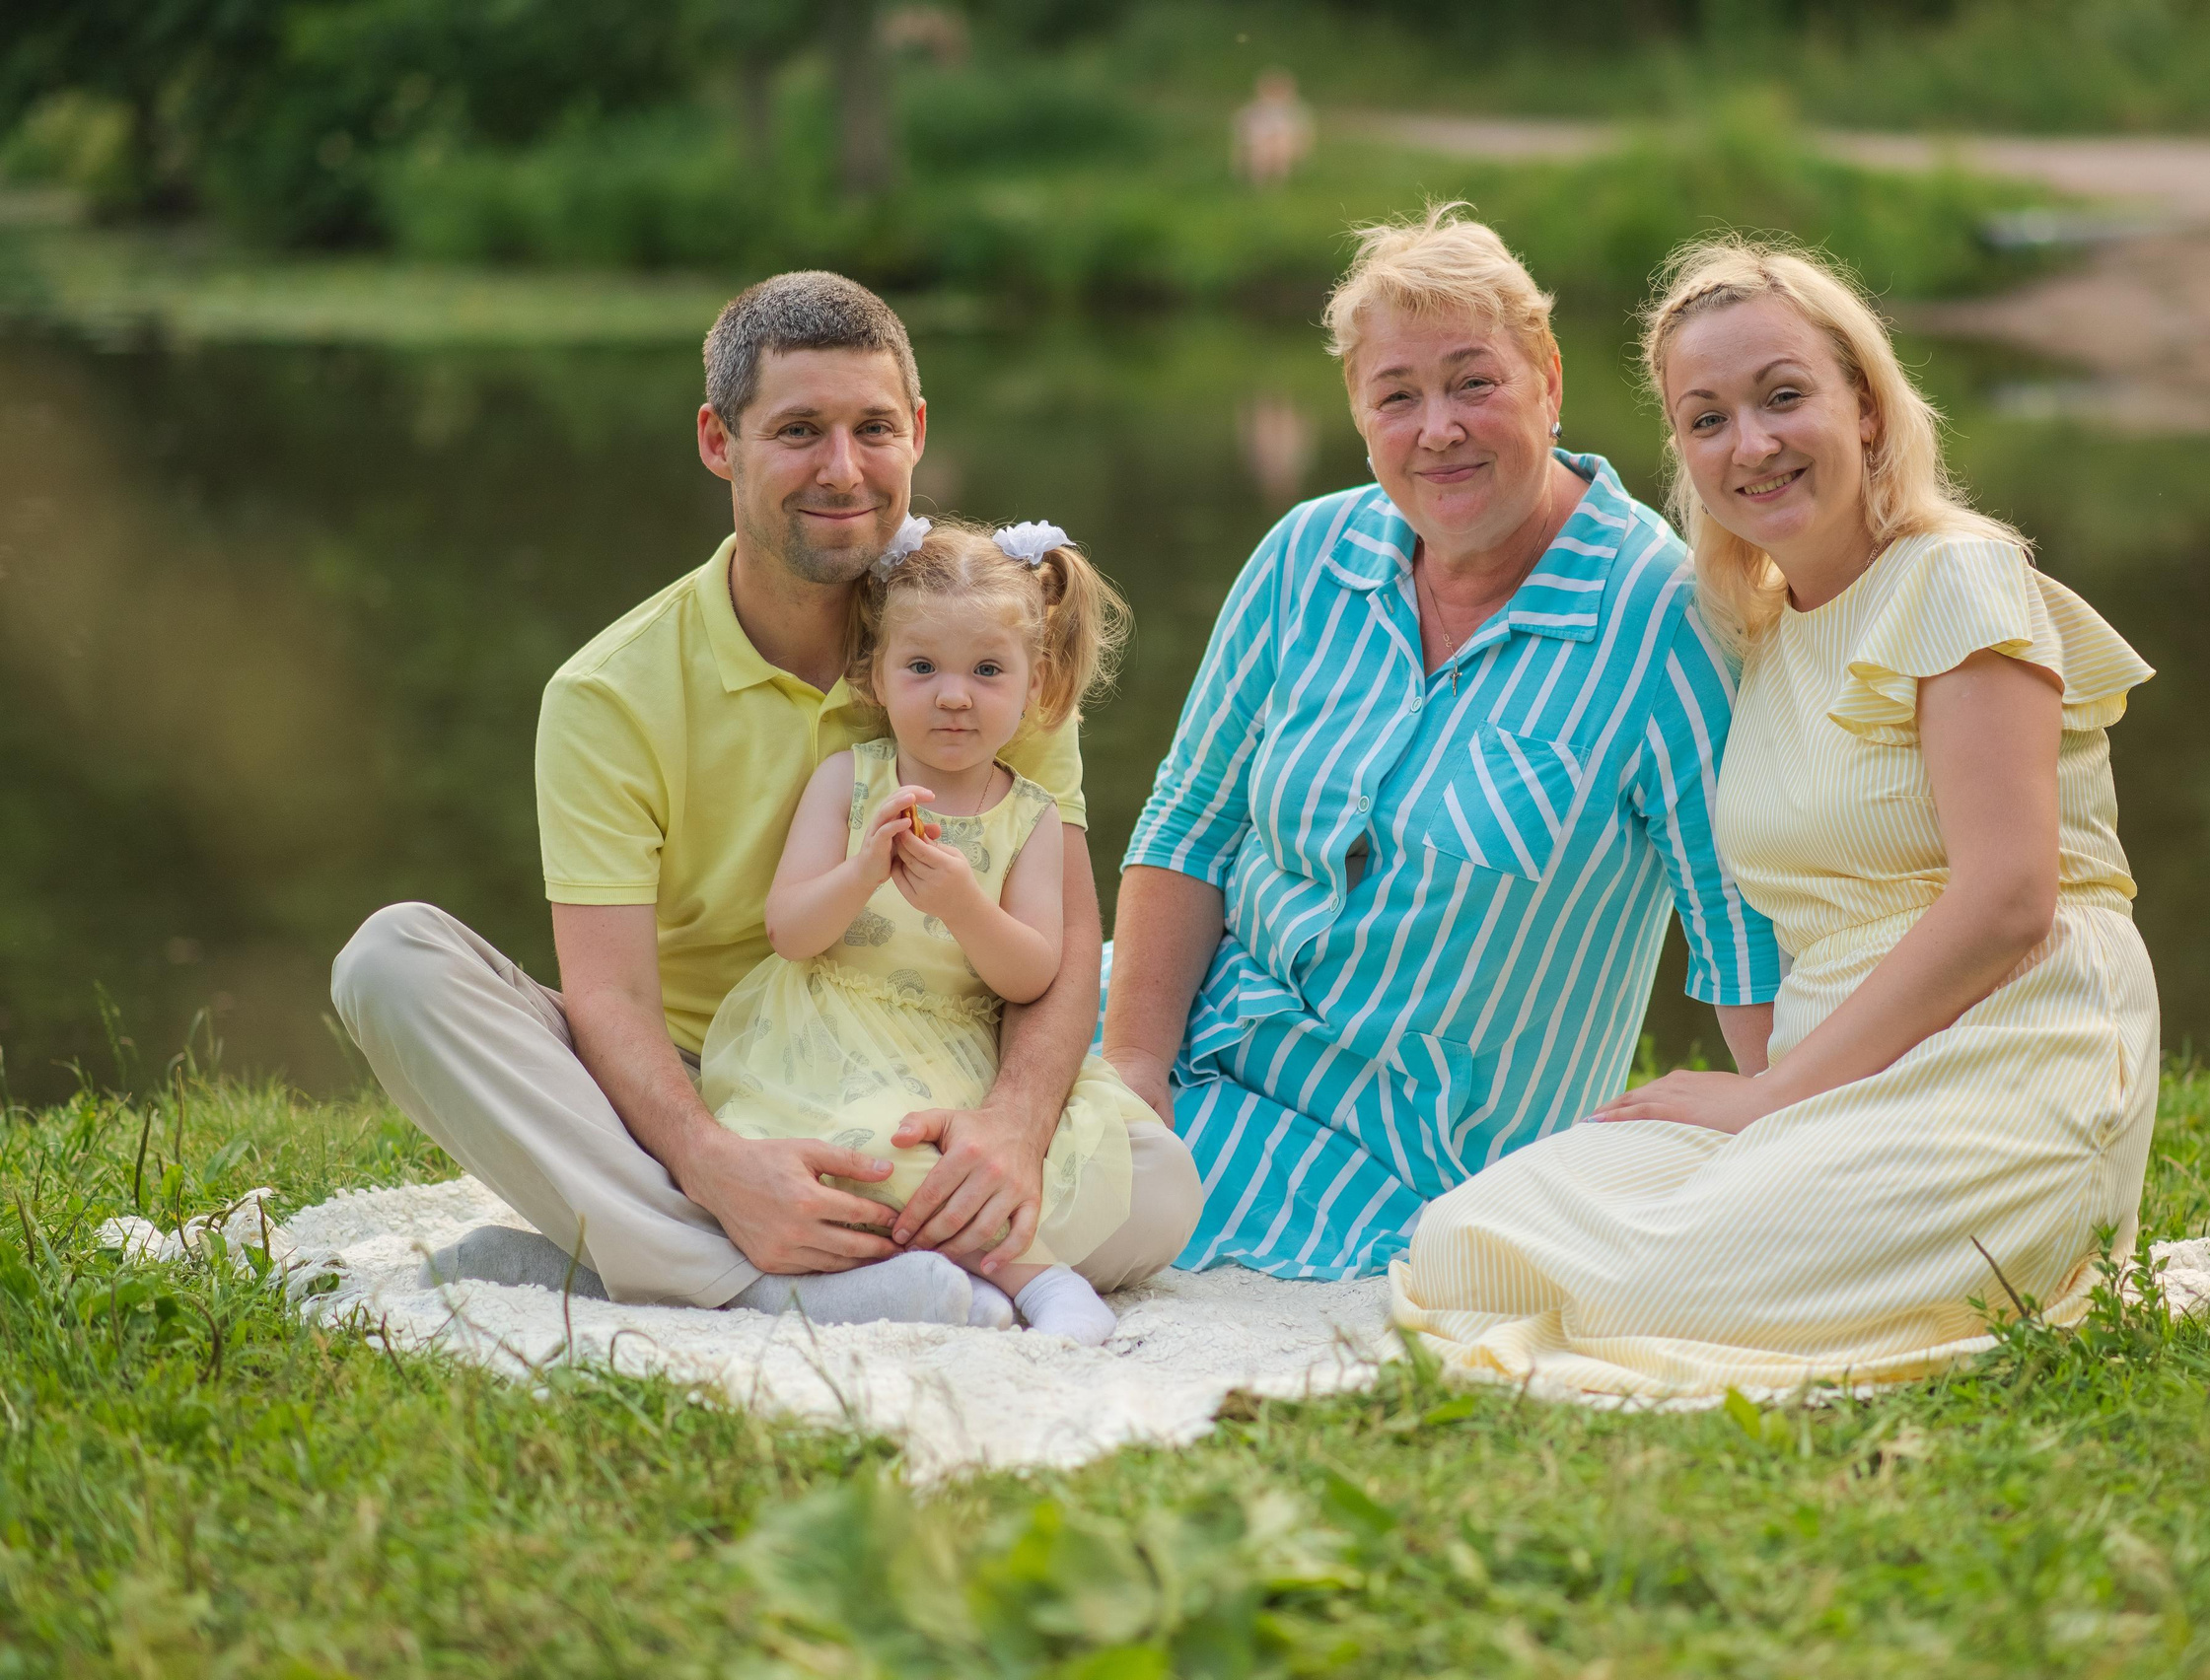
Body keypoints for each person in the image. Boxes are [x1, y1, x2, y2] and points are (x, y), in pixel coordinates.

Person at [329, 271, 1202, 1325]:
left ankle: (643, 1251)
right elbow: (608, 1000)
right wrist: (712, 1158)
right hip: (699, 1077)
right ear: (718, 441)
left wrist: (1013, 1132)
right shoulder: (608, 692)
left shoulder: (983, 649)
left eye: (873, 428)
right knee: (392, 963)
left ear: (917, 430)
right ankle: (748, 1252)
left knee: (1154, 1190)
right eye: (798, 430)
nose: (842, 470)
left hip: (930, 1072)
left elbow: (1057, 950)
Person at [1390, 237, 2161, 1398]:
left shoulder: (1956, 576)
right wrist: (1771, 1104)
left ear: (1863, 404)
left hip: (2010, 1051)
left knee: (1638, 1281)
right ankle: (1775, 1217)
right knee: (1469, 1237)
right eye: (1706, 419)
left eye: (1782, 396)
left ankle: (1945, 1238)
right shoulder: (1764, 630)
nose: (1749, 445)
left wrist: (1765, 1100)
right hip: (1836, 1081)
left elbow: (2009, 900)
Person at [1100, 205, 1782, 1280]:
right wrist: (1130, 1069)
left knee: (985, 1181)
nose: (1438, 429)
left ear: (1547, 379)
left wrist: (1787, 1121)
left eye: (1474, 381)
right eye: (1397, 396)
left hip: (1396, 1158)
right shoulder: (1303, 555)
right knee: (933, 1032)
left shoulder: (1664, 619)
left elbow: (1739, 928)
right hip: (1195, 1043)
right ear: (1359, 414)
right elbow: (1189, 826)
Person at [700, 518, 1156, 1344]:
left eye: (987, 670)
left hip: (958, 1049)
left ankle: (914, 1277)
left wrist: (963, 906)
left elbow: (1031, 973)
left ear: (1034, 685)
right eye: (922, 668)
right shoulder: (849, 780)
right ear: (875, 676)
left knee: (1151, 1181)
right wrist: (860, 872)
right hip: (832, 1035)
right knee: (880, 1148)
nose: (953, 695)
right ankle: (1037, 1280)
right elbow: (791, 932)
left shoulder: (1031, 817)